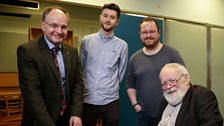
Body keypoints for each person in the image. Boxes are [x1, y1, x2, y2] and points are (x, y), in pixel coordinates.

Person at [17, 6, 84, 126]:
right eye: (54, 25)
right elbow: (32, 94)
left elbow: (77, 84)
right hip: (40, 120)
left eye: (63, 27)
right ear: (43, 26)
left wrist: (76, 113)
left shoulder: (72, 51)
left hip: (67, 118)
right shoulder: (27, 51)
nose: (59, 31)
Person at [126, 16, 185, 126]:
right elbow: (130, 83)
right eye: (144, 32)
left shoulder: (172, 54)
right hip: (145, 116)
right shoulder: (134, 59)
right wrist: (135, 105)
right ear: (140, 34)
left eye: (152, 31)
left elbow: (185, 81)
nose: (148, 35)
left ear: (159, 32)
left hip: (171, 113)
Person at [80, 3, 128, 126]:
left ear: (117, 21)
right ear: (100, 17)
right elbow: (81, 67)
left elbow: (121, 73)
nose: (108, 20)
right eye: (105, 16)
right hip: (88, 99)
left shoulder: (122, 45)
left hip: (111, 100)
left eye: (112, 17)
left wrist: (110, 87)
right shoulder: (86, 41)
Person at [157, 63, 223, 126]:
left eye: (172, 81)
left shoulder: (202, 96)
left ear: (186, 79)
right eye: (164, 84)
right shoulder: (165, 102)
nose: (168, 87)